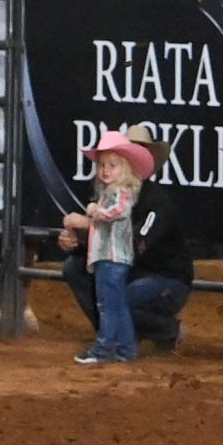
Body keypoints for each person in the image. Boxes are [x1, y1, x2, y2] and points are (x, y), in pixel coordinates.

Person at [59, 124, 194, 356]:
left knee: (118, 296)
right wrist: (78, 243)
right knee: (76, 269)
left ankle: (163, 330)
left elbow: (135, 244)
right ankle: (114, 336)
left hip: (165, 278)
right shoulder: (109, 195)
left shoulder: (157, 202)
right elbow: (105, 239)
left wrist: (87, 227)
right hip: (127, 269)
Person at [65, 131, 155, 364]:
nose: (104, 170)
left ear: (125, 169)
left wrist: (96, 212)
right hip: (111, 257)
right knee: (117, 304)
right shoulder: (112, 192)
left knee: (107, 305)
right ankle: (125, 349)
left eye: (112, 165)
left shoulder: (120, 193)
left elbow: (118, 212)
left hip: (112, 258)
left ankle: (104, 349)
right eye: (102, 165)